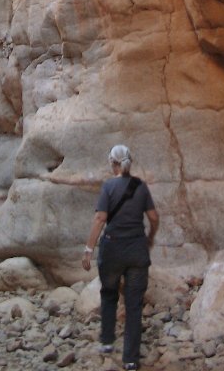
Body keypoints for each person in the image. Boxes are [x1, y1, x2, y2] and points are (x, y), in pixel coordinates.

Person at [82, 145, 159, 371]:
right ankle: (131, 360)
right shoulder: (141, 187)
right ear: (129, 163)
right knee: (134, 304)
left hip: (113, 250)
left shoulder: (108, 187)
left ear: (112, 163)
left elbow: (100, 219)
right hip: (136, 250)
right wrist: (150, 238)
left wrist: (88, 249)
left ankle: (107, 342)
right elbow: (154, 218)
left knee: (108, 294)